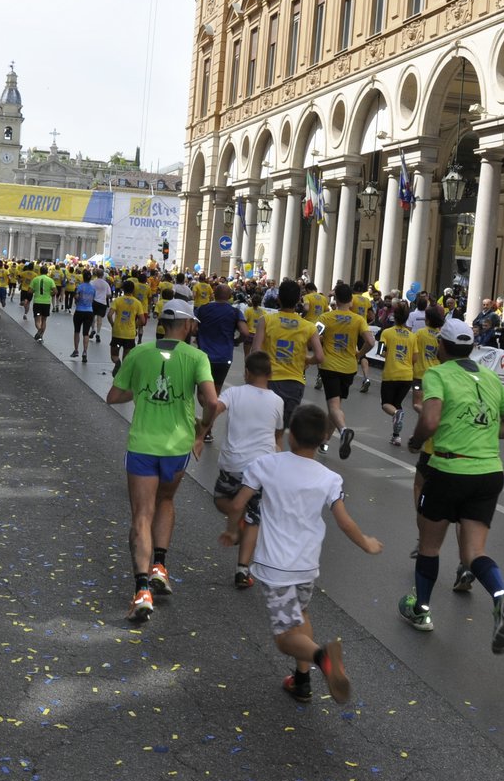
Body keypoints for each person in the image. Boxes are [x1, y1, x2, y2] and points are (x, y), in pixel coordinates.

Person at [219, 403, 382, 703]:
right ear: (323, 438)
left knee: (285, 638)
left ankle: (322, 659)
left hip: (275, 568)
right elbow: (344, 522)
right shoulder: (329, 478)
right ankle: (302, 681)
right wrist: (366, 543)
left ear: (290, 434)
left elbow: (237, 503)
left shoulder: (266, 464)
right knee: (301, 614)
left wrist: (232, 530)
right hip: (306, 566)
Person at [400, 319, 504, 653]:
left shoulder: (437, 374)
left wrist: (415, 442)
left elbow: (429, 421)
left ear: (442, 346)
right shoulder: (489, 377)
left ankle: (422, 611)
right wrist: (480, 434)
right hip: (488, 473)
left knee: (429, 546)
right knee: (473, 553)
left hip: (447, 469)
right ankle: (500, 597)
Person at [105, 299, 218, 624]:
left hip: (143, 444)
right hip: (177, 446)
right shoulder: (197, 357)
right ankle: (159, 565)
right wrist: (202, 430)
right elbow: (212, 401)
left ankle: (142, 590)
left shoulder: (140, 353)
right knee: (166, 500)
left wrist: (141, 391)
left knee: (141, 514)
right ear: (186, 325)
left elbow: (114, 396)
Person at [200, 350, 286, 588]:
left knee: (220, 500)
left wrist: (201, 431)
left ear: (246, 372)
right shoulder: (278, 401)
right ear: (270, 374)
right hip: (263, 469)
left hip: (233, 466)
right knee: (255, 518)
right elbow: (278, 435)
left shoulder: (234, 393)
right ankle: (242, 570)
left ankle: (236, 518)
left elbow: (214, 409)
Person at [248, 279, 324, 428]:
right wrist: (307, 360)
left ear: (278, 298)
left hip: (268, 380)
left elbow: (255, 351)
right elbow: (320, 357)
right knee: (280, 431)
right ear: (298, 301)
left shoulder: (266, 320)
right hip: (295, 383)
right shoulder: (309, 327)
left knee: (263, 428)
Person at [319, 283, 376, 457]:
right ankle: (325, 442)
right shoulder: (358, 319)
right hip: (349, 367)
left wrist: (319, 347)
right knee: (336, 406)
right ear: (351, 301)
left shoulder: (325, 317)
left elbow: (314, 336)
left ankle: (344, 431)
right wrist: (359, 354)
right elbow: (372, 342)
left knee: (334, 406)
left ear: (335, 300)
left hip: (330, 366)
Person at [195, 282, 250, 399]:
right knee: (216, 391)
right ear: (230, 296)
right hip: (224, 357)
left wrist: (199, 335)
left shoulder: (202, 309)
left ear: (214, 294)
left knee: (201, 392)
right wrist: (237, 341)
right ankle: (209, 415)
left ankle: (206, 415)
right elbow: (245, 332)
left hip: (204, 356)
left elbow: (192, 328)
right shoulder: (235, 312)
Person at [377, 301, 418, 446]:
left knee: (386, 404)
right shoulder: (412, 336)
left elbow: (381, 351)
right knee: (397, 404)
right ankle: (396, 436)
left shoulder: (387, 333)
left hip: (391, 374)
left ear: (394, 316)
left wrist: (390, 354)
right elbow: (415, 358)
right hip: (407, 376)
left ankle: (396, 414)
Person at [107, 279, 146, 375]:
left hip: (117, 333)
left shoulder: (117, 300)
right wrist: (135, 326)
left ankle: (117, 362)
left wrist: (113, 324)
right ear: (133, 290)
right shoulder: (137, 303)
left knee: (114, 355)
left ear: (123, 289)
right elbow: (143, 320)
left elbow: (109, 315)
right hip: (130, 335)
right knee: (126, 357)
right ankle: (122, 376)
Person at [70, 268, 97, 361]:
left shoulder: (80, 287)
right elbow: (93, 299)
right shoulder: (93, 288)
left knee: (77, 331)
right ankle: (85, 351)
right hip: (89, 311)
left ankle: (76, 350)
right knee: (86, 333)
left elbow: (76, 297)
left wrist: (77, 299)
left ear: (83, 277)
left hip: (79, 311)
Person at [29, 264, 57, 341]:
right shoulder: (50, 280)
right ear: (47, 272)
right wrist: (49, 294)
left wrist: (35, 291)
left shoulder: (35, 279)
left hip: (37, 302)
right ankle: (41, 336)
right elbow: (55, 291)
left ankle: (39, 330)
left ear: (40, 271)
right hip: (46, 303)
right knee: (44, 320)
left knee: (37, 319)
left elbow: (30, 291)